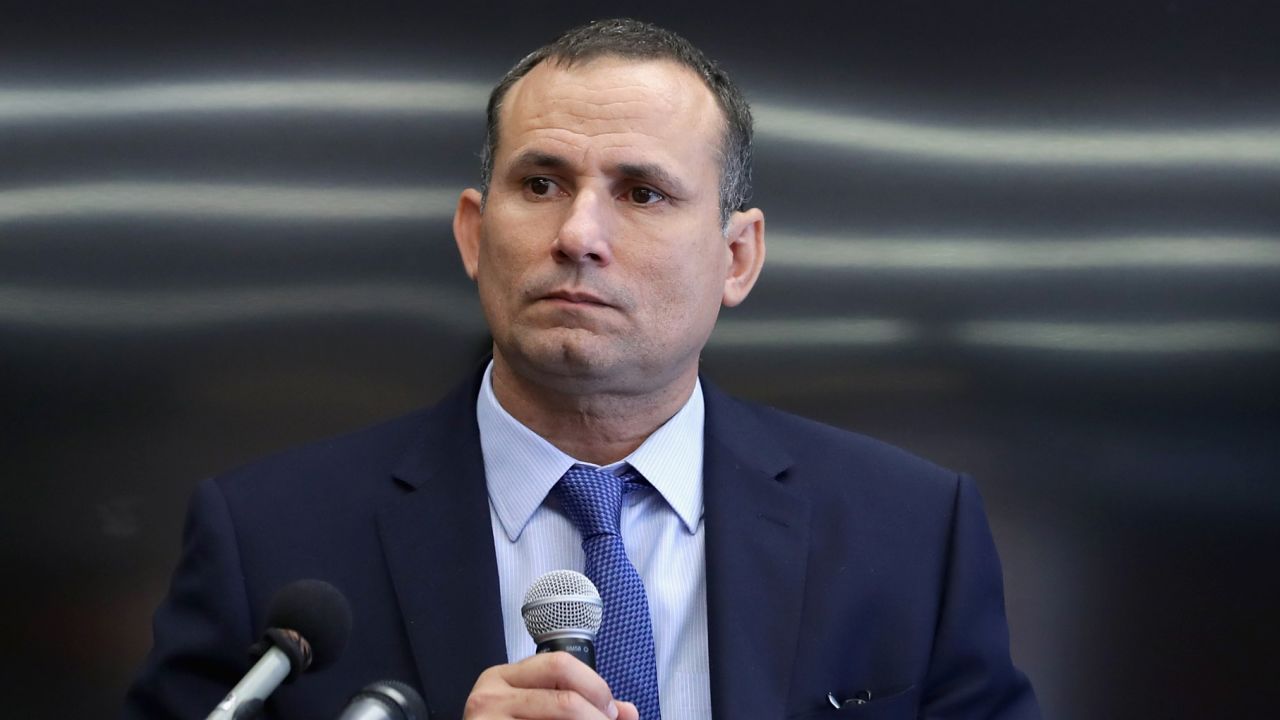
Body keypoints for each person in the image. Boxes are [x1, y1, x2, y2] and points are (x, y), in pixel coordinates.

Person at [124, 18, 1040, 720]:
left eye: (641, 193)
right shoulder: (269, 541)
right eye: (542, 184)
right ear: (475, 236)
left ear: (737, 258)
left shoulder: (911, 534)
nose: (578, 236)